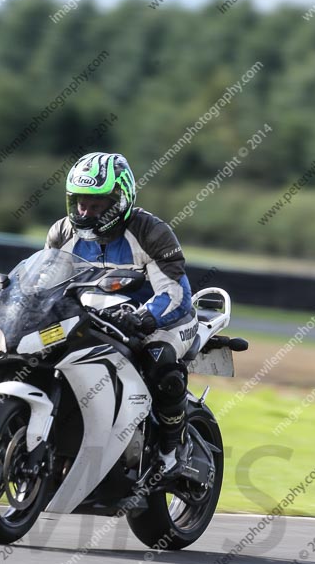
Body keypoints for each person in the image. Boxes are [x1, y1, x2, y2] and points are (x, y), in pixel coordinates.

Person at [45, 151, 199, 481]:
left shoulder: (151, 232)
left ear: (120, 199)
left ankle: (171, 452)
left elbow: (174, 292)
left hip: (164, 317)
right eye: (80, 203)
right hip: (96, 316)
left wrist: (145, 318)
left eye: (97, 205)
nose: (86, 212)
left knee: (160, 359)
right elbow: (45, 283)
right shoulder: (62, 233)